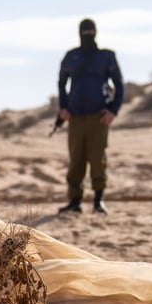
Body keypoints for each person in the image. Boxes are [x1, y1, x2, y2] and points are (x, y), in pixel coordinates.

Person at [56, 18, 125, 215]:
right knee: (76, 159)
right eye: (84, 31)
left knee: (97, 158)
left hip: (99, 116)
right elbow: (61, 83)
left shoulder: (106, 57)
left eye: (90, 31)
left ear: (95, 32)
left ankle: (98, 201)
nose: (87, 34)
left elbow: (120, 85)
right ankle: (75, 201)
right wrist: (63, 107)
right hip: (75, 116)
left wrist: (113, 110)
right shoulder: (71, 56)